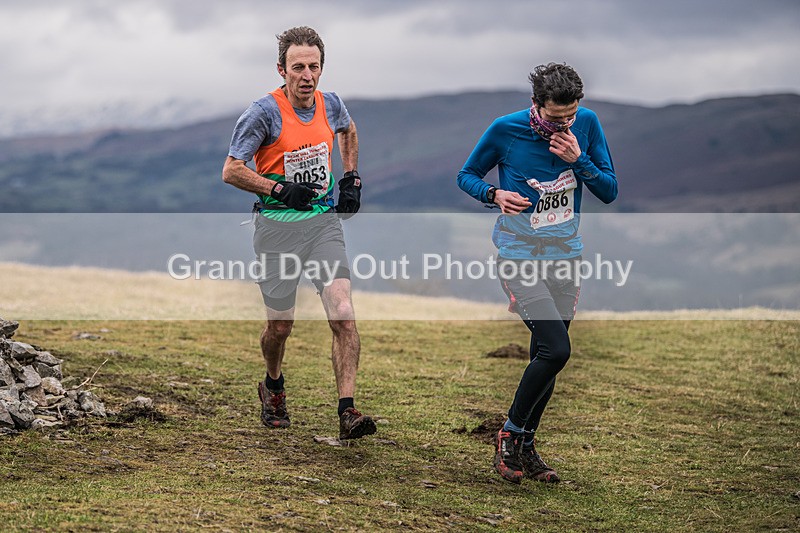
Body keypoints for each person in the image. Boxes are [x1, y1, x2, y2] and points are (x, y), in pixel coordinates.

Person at [457, 63, 617, 483]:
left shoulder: (587, 124)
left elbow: (609, 190)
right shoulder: (506, 129)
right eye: (554, 117)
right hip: (519, 254)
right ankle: (509, 435)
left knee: (544, 356)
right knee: (557, 349)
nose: (563, 124)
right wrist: (494, 194)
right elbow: (466, 175)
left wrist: (578, 160)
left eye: (570, 114)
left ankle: (526, 447)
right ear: (536, 104)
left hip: (566, 258)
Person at [222, 26, 376, 440]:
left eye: (314, 67)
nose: (307, 75)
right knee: (280, 327)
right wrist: (278, 188)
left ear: (322, 68)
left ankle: (348, 411)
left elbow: (349, 129)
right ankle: (273, 385)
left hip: (321, 226)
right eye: (298, 67)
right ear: (281, 69)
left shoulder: (332, 104)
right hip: (275, 230)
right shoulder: (263, 113)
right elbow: (231, 170)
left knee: (343, 312)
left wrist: (352, 177)